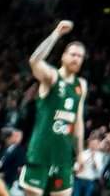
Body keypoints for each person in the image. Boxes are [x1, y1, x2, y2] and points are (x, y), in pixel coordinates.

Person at [21, 21, 87, 196]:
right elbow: (34, 60)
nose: (76, 59)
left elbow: (78, 121)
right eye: (73, 54)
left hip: (64, 157)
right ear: (63, 56)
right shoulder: (52, 77)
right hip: (40, 154)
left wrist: (80, 153)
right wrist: (56, 33)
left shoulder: (81, 85)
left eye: (80, 56)